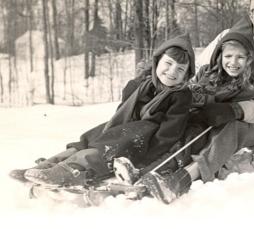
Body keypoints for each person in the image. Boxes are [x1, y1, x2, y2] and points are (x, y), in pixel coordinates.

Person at [142, 0, 254, 204]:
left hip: (248, 120)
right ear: (251, 14)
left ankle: (187, 176)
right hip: (209, 103)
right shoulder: (228, 36)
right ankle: (150, 164)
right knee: (183, 124)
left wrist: (234, 109)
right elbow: (201, 69)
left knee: (230, 128)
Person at [9, 33, 196, 187]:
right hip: (127, 128)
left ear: (186, 75)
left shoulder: (180, 96)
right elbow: (122, 113)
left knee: (107, 146)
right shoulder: (141, 85)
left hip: (145, 138)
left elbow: (169, 133)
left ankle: (73, 169)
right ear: (157, 61)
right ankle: (48, 165)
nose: (172, 72)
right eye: (168, 63)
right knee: (94, 136)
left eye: (180, 69)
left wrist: (144, 157)